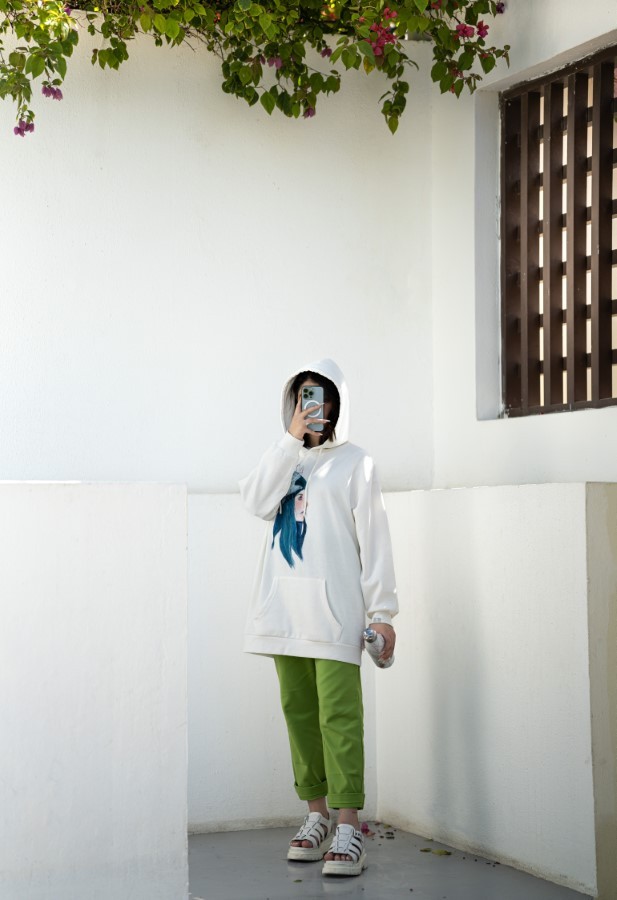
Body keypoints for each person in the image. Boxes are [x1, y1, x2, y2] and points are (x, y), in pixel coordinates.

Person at [239, 358, 398, 878]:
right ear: (293, 403)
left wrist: (383, 612)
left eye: (322, 396)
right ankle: (316, 816)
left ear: (337, 404)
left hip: (334, 616)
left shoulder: (357, 463)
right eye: (304, 396)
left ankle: (349, 825)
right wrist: (290, 441)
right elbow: (256, 502)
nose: (314, 407)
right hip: (283, 613)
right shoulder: (283, 458)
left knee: (340, 717)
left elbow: (374, 540)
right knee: (300, 714)